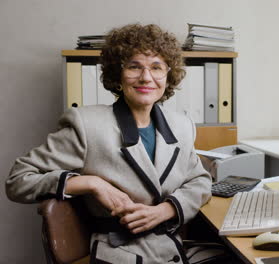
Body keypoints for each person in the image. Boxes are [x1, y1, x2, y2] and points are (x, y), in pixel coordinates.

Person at [6, 24, 212, 263]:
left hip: (172, 246)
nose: (146, 77)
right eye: (134, 66)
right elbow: (17, 180)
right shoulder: (86, 124)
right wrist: (90, 183)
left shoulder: (182, 125)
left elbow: (200, 180)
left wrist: (167, 210)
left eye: (157, 67)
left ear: (168, 74)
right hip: (120, 253)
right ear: (118, 74)